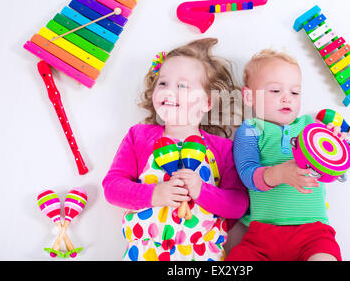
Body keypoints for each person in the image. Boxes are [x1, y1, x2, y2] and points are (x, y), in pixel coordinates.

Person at [102, 38, 249, 261]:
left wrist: (202, 192)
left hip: (202, 254)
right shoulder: (139, 136)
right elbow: (112, 187)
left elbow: (238, 205)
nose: (169, 91)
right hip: (144, 252)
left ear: (207, 102)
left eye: (182, 85)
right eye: (163, 83)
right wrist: (153, 194)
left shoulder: (223, 149)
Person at [225, 49, 350, 261]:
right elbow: (247, 173)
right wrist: (279, 174)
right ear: (249, 96)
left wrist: (344, 147)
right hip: (262, 235)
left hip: (313, 232)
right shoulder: (251, 129)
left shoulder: (312, 126)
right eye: (275, 91)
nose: (287, 98)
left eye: (295, 92)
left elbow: (347, 160)